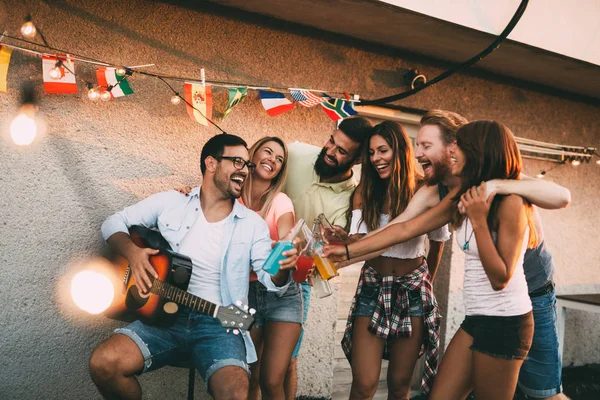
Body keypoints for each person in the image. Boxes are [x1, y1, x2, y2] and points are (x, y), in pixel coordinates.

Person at [327, 110, 570, 400]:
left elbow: (562, 197)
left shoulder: (505, 188)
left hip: (530, 296)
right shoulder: (448, 192)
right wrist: (346, 252)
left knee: (543, 394)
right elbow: (402, 228)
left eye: (426, 146)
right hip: (481, 313)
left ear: (455, 145)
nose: (418, 153)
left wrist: (496, 186)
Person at [88, 133, 298, 400]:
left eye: (247, 164)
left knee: (236, 394)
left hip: (220, 324)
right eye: (237, 162)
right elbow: (112, 222)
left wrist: (282, 267)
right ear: (211, 163)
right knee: (104, 364)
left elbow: (271, 280)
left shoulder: (252, 224)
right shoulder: (171, 202)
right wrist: (133, 253)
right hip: (161, 318)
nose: (244, 170)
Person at [343, 121, 451, 399]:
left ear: (400, 150)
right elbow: (358, 244)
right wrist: (339, 242)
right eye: (371, 152)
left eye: (383, 150)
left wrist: (426, 286)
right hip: (372, 288)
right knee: (364, 383)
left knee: (400, 384)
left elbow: (438, 242)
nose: (376, 158)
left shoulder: (425, 189)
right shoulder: (364, 191)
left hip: (412, 291)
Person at [282, 116, 374, 399]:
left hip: (297, 283)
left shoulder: (351, 199)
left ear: (357, 160)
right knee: (250, 355)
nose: (330, 151)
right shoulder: (295, 153)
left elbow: (332, 259)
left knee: (287, 360)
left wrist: (330, 246)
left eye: (342, 151)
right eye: (332, 141)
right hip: (256, 269)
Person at [239, 137, 302, 400]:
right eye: (268, 152)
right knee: (247, 376)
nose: (272, 160)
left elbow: (288, 233)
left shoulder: (280, 201)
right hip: (245, 296)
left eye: (279, 159)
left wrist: (290, 244)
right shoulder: (232, 196)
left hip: (282, 297)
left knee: (271, 380)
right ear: (252, 155)